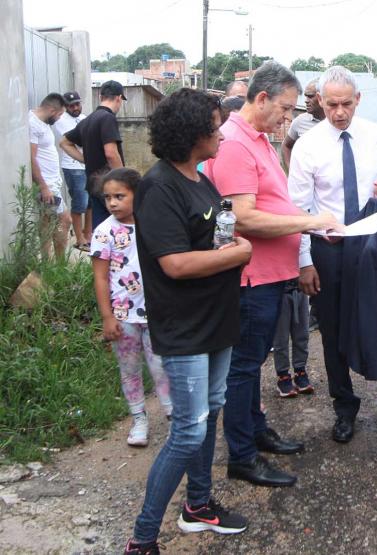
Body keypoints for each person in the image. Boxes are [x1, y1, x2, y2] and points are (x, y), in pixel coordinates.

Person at [124, 88, 252, 555]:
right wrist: (238, 254)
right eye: (214, 126)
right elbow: (174, 264)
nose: (220, 133)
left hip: (217, 318)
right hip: (185, 327)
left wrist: (232, 247)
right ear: (192, 133)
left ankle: (198, 506)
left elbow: (218, 234)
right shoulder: (159, 187)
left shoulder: (200, 179)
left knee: (209, 410)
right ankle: (142, 539)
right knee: (188, 431)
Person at [206, 61, 338, 488]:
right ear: (261, 98)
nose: (288, 118)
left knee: (254, 361)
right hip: (250, 278)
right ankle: (242, 455)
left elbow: (272, 201)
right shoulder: (232, 144)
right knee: (243, 367)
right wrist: (307, 222)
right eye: (284, 108)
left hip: (269, 275)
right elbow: (242, 218)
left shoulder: (258, 138)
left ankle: (257, 430)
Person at [288, 66, 377, 448]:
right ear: (319, 101)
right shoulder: (308, 146)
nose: (339, 112)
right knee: (334, 332)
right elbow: (299, 208)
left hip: (374, 247)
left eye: (346, 104)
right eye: (331, 104)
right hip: (331, 251)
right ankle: (344, 407)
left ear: (358, 99)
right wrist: (305, 261)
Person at [90, 167, 171, 447]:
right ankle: (139, 419)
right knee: (130, 369)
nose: (112, 203)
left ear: (138, 195)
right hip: (123, 317)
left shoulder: (154, 223)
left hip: (157, 312)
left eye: (120, 196)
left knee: (162, 367)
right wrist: (106, 317)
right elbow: (100, 277)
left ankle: (174, 416)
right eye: (107, 197)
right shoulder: (104, 232)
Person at [61, 80, 126, 231]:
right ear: (119, 98)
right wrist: (124, 180)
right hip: (111, 186)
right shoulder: (107, 118)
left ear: (101, 97)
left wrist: (86, 160)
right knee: (120, 231)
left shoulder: (88, 119)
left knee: (101, 231)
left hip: (94, 184)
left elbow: (64, 142)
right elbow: (111, 153)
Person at [29, 92, 70, 258]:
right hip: (47, 186)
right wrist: (44, 187)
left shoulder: (42, 122)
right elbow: (30, 157)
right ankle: (59, 265)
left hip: (51, 184)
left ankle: (50, 265)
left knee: (47, 224)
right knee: (63, 221)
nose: (59, 118)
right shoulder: (33, 123)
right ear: (52, 110)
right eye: (60, 114)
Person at [53, 91, 90, 250]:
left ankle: (88, 234)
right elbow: (79, 142)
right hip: (73, 167)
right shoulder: (62, 121)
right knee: (80, 202)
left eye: (77, 104)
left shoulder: (83, 118)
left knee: (91, 202)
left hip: (87, 165)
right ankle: (79, 239)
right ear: (65, 107)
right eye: (71, 105)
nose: (75, 107)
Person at [282, 78, 326, 169]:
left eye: (310, 96)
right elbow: (286, 146)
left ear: (321, 97)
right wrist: (291, 171)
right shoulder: (299, 122)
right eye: (306, 96)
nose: (306, 100)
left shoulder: (336, 121)